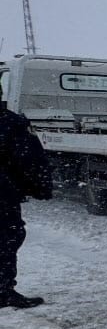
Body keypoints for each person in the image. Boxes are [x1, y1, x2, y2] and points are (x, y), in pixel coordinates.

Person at [0, 99, 53, 308]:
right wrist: (41, 186)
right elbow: (28, 158)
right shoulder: (10, 122)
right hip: (3, 193)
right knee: (7, 237)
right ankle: (3, 292)